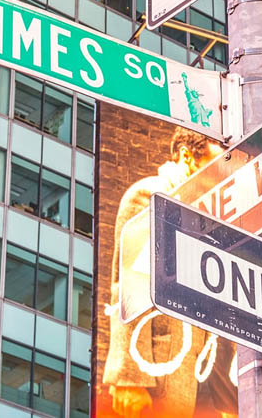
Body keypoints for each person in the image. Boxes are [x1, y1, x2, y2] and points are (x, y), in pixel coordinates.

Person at [103, 127, 237, 418]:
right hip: (161, 377)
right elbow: (128, 286)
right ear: (188, 157)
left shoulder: (215, 220)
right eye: (221, 162)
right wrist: (130, 379)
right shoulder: (150, 195)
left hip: (207, 386)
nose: (228, 174)